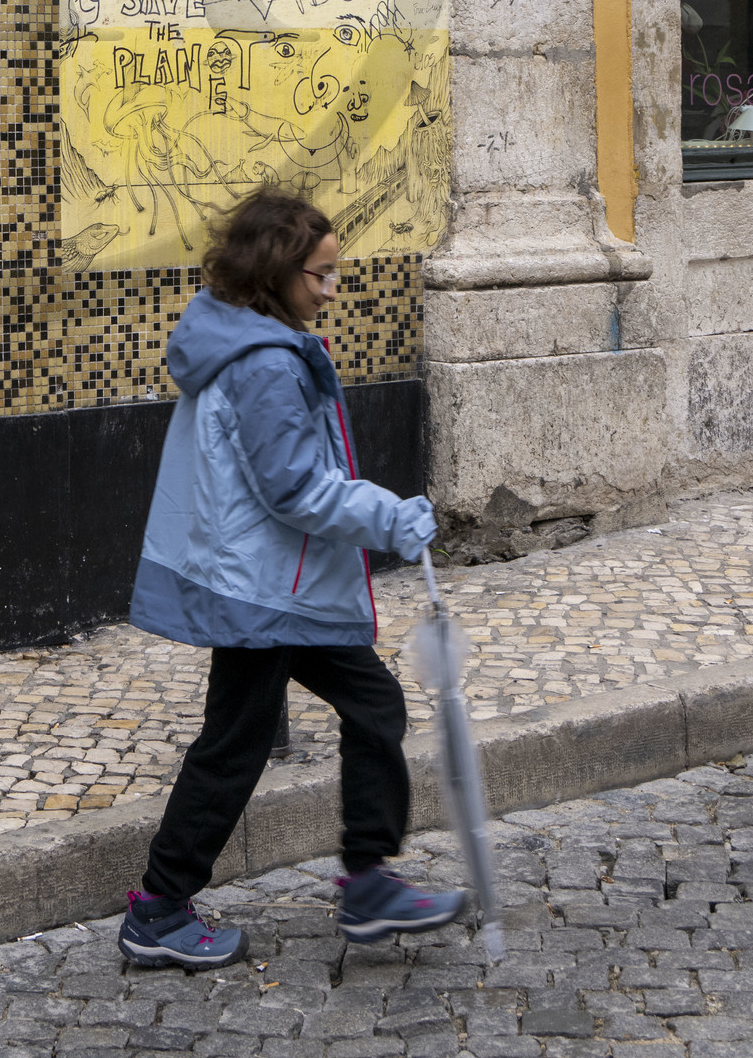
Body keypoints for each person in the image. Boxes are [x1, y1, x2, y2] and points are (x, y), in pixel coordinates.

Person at [119, 188, 464, 969]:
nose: (331, 287)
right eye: (320, 273)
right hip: (265, 588)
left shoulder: (244, 337)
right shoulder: (266, 363)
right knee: (235, 745)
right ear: (276, 274)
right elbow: (297, 490)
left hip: (280, 581)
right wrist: (391, 518)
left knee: (370, 706)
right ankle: (158, 909)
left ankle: (370, 882)